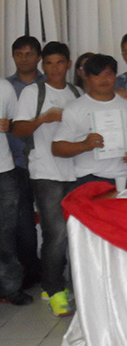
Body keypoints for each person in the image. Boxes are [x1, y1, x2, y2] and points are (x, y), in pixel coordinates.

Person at [12, 42, 80, 316]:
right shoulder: (33, 92)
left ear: (68, 64)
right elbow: (18, 129)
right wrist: (43, 119)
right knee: (55, 232)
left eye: (59, 62)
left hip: (74, 171)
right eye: (48, 63)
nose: (54, 68)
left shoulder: (76, 93)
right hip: (45, 172)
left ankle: (58, 283)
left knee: (71, 232)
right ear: (43, 65)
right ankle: (53, 290)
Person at [52, 54, 127, 187]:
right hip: (89, 179)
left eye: (108, 74)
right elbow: (57, 148)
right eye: (97, 75)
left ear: (115, 76)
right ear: (87, 77)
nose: (103, 79)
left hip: (125, 177)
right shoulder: (75, 108)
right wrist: (84, 145)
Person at [5, 36, 43, 290]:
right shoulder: (6, 87)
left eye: (29, 54)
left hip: (48, 162)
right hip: (15, 163)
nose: (24, 58)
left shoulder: (50, 83)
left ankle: (53, 269)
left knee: (52, 221)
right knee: (23, 224)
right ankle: (29, 273)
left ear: (38, 57)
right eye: (19, 54)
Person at [0, 74, 31, 306]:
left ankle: (10, 288)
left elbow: (15, 125)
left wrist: (8, 125)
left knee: (6, 233)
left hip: (4, 169)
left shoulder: (4, 87)